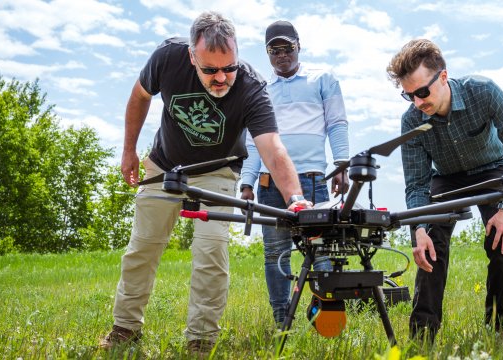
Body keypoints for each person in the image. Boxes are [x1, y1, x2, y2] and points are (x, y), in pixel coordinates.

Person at [99, 11, 312, 354]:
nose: (221, 78)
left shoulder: (251, 87)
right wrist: (128, 151)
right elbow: (140, 96)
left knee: (211, 251)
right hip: (166, 164)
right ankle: (125, 328)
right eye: (210, 70)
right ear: (191, 57)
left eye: (228, 67)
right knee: (143, 247)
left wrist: (296, 200)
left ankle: (201, 340)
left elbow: (272, 147)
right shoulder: (167, 57)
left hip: (218, 171)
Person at [386, 39, 503, 343]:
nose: (417, 103)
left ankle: (498, 329)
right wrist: (419, 229)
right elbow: (416, 184)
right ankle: (422, 336)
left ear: (442, 77)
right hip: (447, 178)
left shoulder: (484, 92)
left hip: (493, 169)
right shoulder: (412, 121)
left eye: (422, 92)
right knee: (431, 245)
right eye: (408, 95)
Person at [239, 20, 350, 328]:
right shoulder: (260, 89)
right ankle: (281, 320)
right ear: (267, 53)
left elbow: (337, 123)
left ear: (298, 46)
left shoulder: (322, 79)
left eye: (287, 48)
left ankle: (328, 317)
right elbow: (252, 141)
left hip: (312, 180)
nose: (281, 55)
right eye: (274, 50)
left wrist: (342, 163)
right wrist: (247, 182)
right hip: (268, 185)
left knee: (319, 249)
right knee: (276, 253)